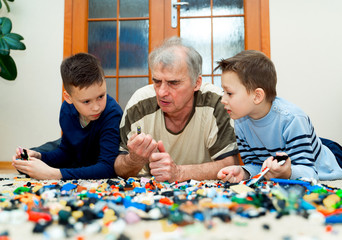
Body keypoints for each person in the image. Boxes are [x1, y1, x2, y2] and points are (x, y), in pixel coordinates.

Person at [114, 37, 239, 183]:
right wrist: (134, 160)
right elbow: (119, 169)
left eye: (173, 83)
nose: (161, 92)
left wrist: (179, 173)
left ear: (196, 83)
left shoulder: (217, 102)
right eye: (157, 81)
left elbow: (230, 165)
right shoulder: (139, 104)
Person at [216, 50, 342, 182]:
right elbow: (256, 165)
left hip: (329, 160)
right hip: (292, 148)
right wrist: (244, 172)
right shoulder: (240, 121)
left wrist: (287, 172)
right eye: (223, 91)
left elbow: (309, 172)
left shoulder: (293, 119)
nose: (222, 99)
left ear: (257, 96)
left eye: (229, 93)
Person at [12, 53, 123, 180]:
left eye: (101, 96)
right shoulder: (67, 109)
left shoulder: (111, 113)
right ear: (68, 98)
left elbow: (107, 168)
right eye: (86, 101)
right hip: (76, 151)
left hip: (96, 156)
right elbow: (67, 151)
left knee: (51, 166)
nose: (96, 107)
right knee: (25, 161)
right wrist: (39, 156)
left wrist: (54, 174)